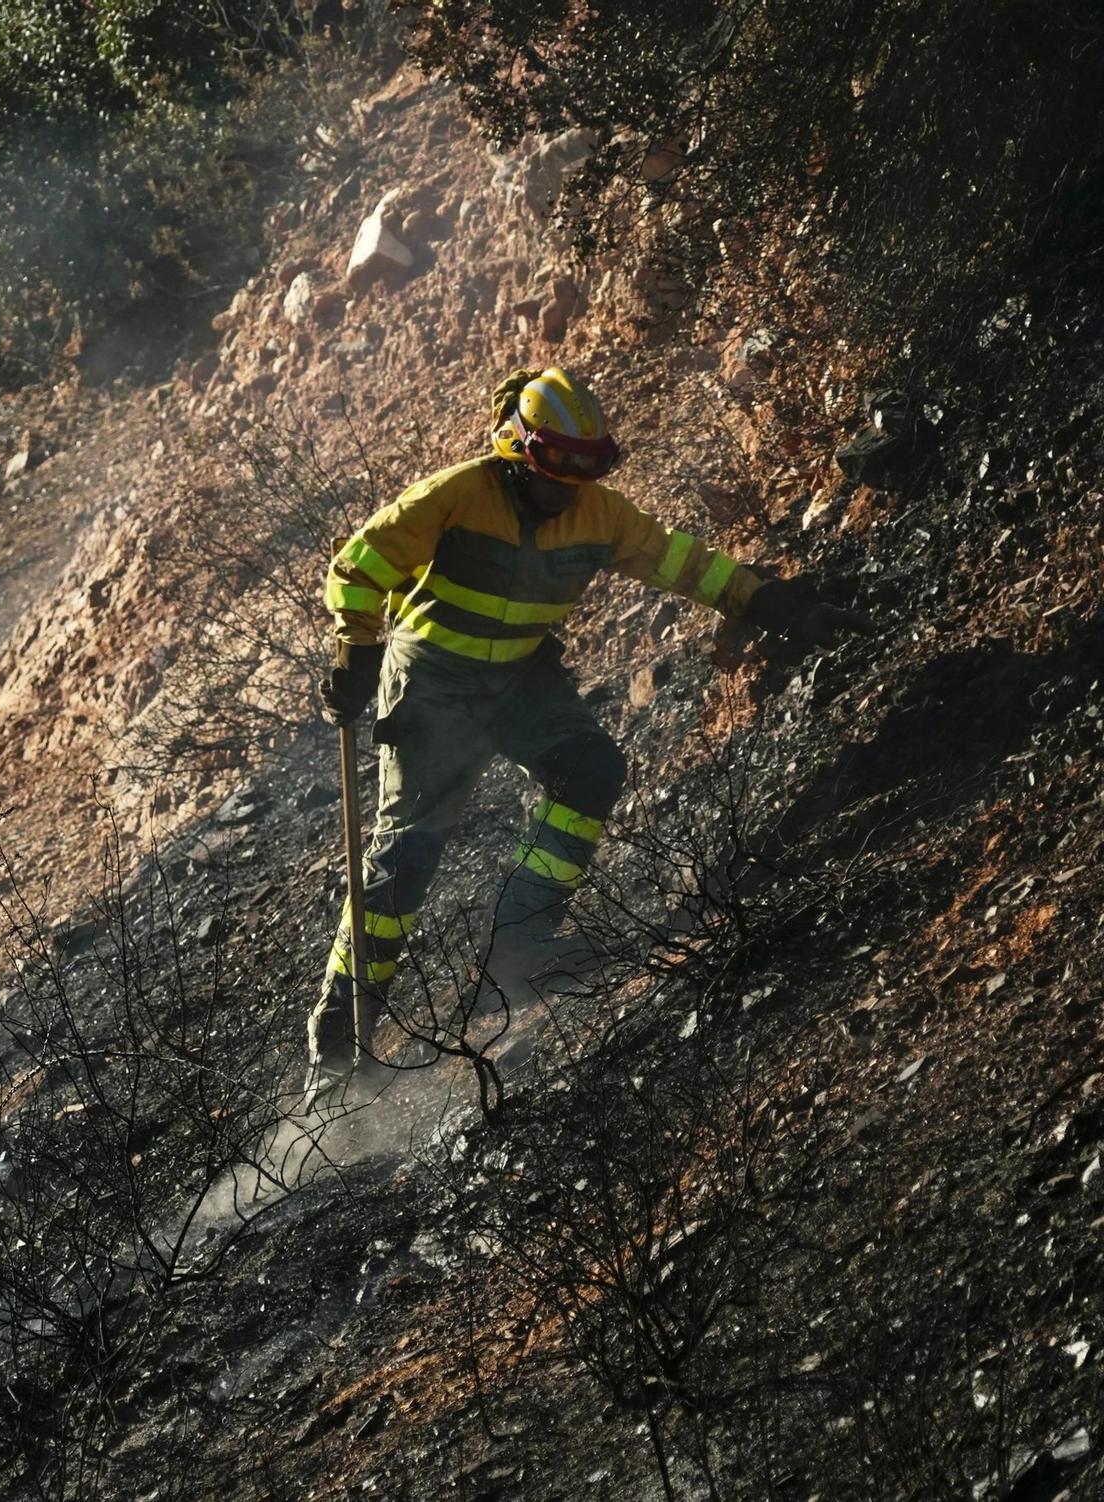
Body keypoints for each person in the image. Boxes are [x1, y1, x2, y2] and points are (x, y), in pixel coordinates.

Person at [308, 367, 868, 1096]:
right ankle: (339, 1045)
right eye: (557, 466)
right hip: (434, 683)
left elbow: (683, 563)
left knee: (591, 769)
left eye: (587, 467)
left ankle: (522, 942)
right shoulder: (457, 494)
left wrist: (774, 604)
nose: (569, 484)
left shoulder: (601, 516)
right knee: (405, 858)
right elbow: (358, 564)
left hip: (519, 678)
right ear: (517, 450)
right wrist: (356, 643)